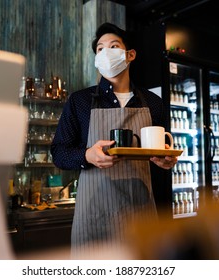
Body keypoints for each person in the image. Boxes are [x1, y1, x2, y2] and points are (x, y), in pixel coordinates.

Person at [50, 22, 178, 259]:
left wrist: (167, 161)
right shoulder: (80, 101)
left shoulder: (152, 102)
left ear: (130, 55)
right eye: (100, 49)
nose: (105, 53)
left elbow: (162, 150)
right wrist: (87, 155)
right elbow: (59, 153)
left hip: (141, 216)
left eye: (113, 46)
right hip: (94, 218)